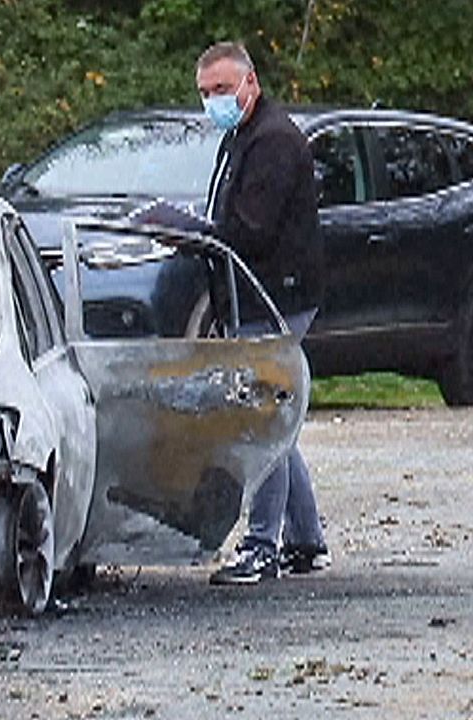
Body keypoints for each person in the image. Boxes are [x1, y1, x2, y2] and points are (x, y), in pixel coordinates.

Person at [195, 41, 330, 584]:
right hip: (260, 293)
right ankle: (305, 540)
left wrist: (200, 234)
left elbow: (250, 229)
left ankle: (262, 544)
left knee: (262, 418)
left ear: (250, 82)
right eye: (205, 93)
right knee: (277, 421)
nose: (214, 101)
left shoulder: (272, 140)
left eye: (222, 90)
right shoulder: (243, 134)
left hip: (278, 295)